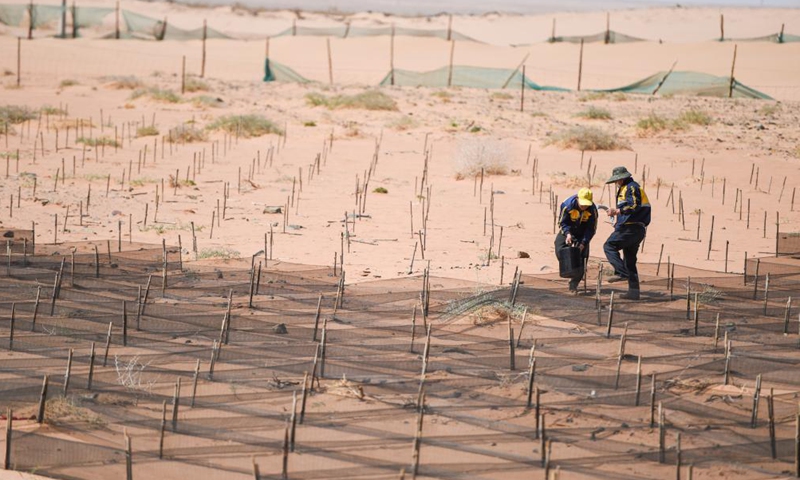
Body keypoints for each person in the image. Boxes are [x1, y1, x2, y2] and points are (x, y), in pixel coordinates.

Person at [603, 166, 651, 300]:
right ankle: (634, 292)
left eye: (617, 180)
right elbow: (628, 209)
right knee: (629, 260)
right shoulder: (625, 188)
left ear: (622, 178)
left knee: (609, 246)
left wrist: (617, 211)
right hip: (633, 228)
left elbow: (634, 206)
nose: (616, 183)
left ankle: (621, 272)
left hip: (632, 228)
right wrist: (617, 221)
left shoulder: (631, 187)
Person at [555, 187, 598, 292]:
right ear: (578, 199)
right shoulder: (567, 205)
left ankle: (574, 284)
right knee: (560, 248)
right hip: (568, 231)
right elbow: (562, 222)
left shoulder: (592, 209)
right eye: (582, 203)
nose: (584, 206)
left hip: (582, 235)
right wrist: (568, 234)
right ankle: (567, 269)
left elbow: (591, 229)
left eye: (586, 204)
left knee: (582, 260)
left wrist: (584, 243)